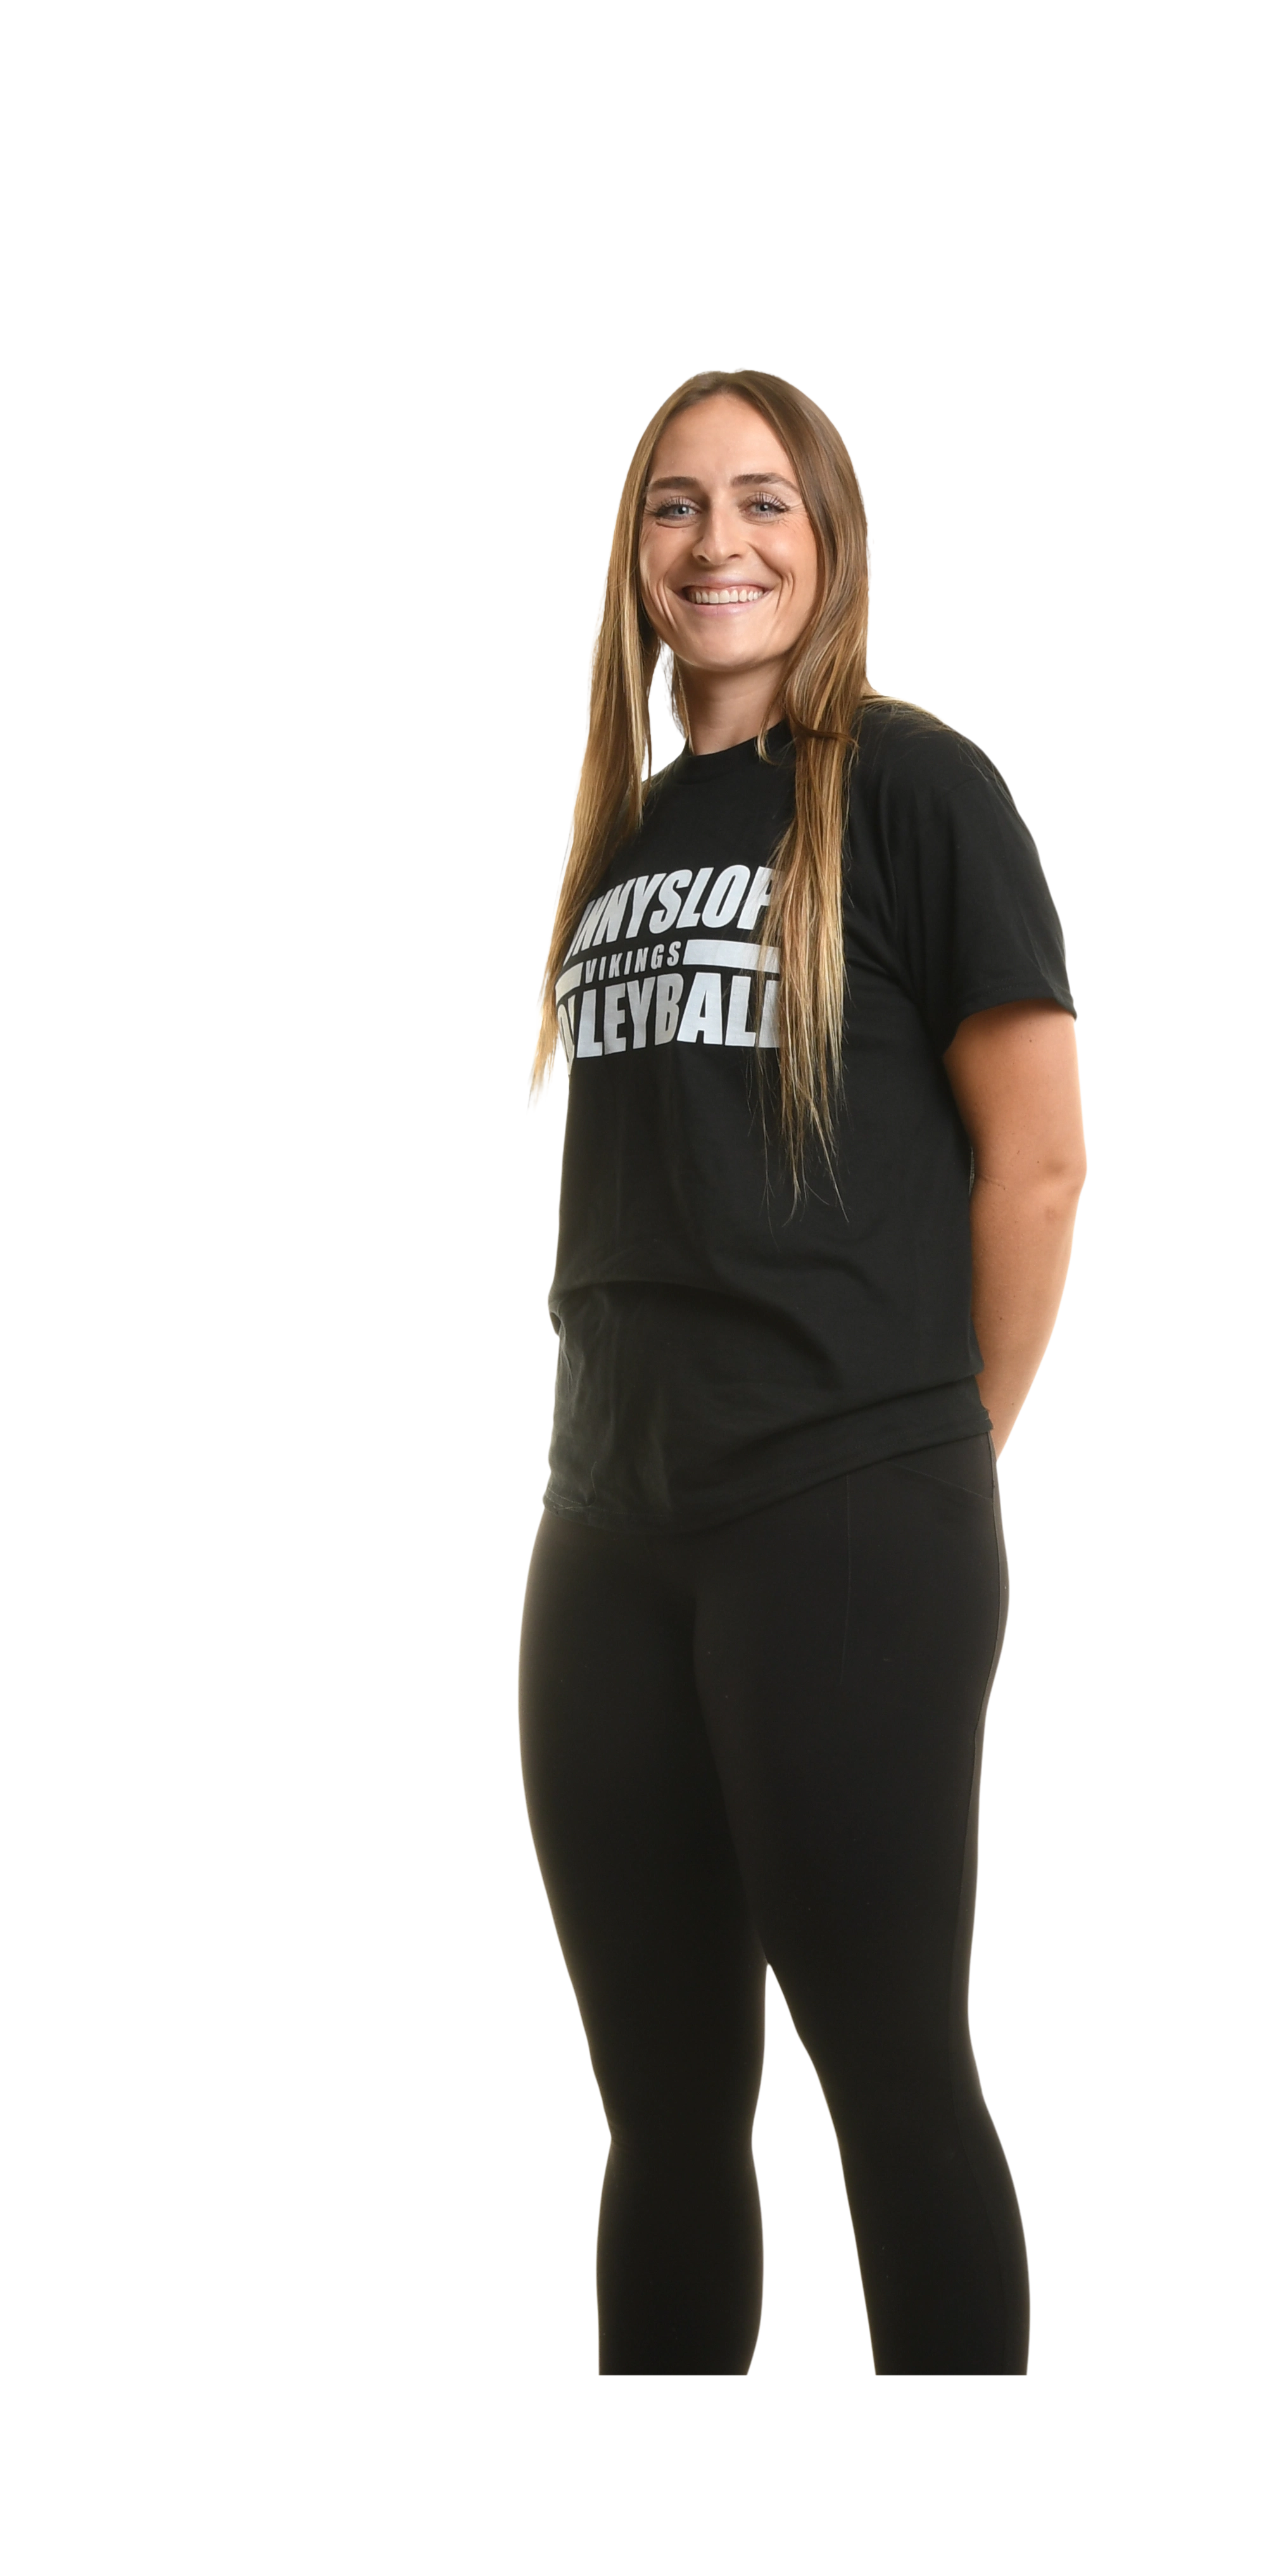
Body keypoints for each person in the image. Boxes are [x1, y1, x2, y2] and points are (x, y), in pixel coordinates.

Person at [517, 365, 1087, 2375]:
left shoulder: (917, 790)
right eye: (675, 504)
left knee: (893, 2083)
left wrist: (927, 1451)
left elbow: (1038, 1161)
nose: (720, 542)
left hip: (845, 1518)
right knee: (663, 2117)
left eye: (764, 499)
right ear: (632, 553)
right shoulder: (615, 822)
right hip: (608, 1528)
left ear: (832, 536)